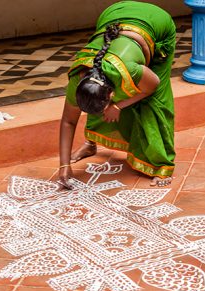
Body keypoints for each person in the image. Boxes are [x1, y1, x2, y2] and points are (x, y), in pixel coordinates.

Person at [58, 1, 177, 188]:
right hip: (114, 13)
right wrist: (63, 165)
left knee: (153, 103)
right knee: (93, 99)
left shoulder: (130, 70)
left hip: (156, 22)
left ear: (113, 93)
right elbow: (68, 121)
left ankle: (161, 164)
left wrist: (118, 106)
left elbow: (152, 86)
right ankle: (91, 143)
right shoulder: (78, 81)